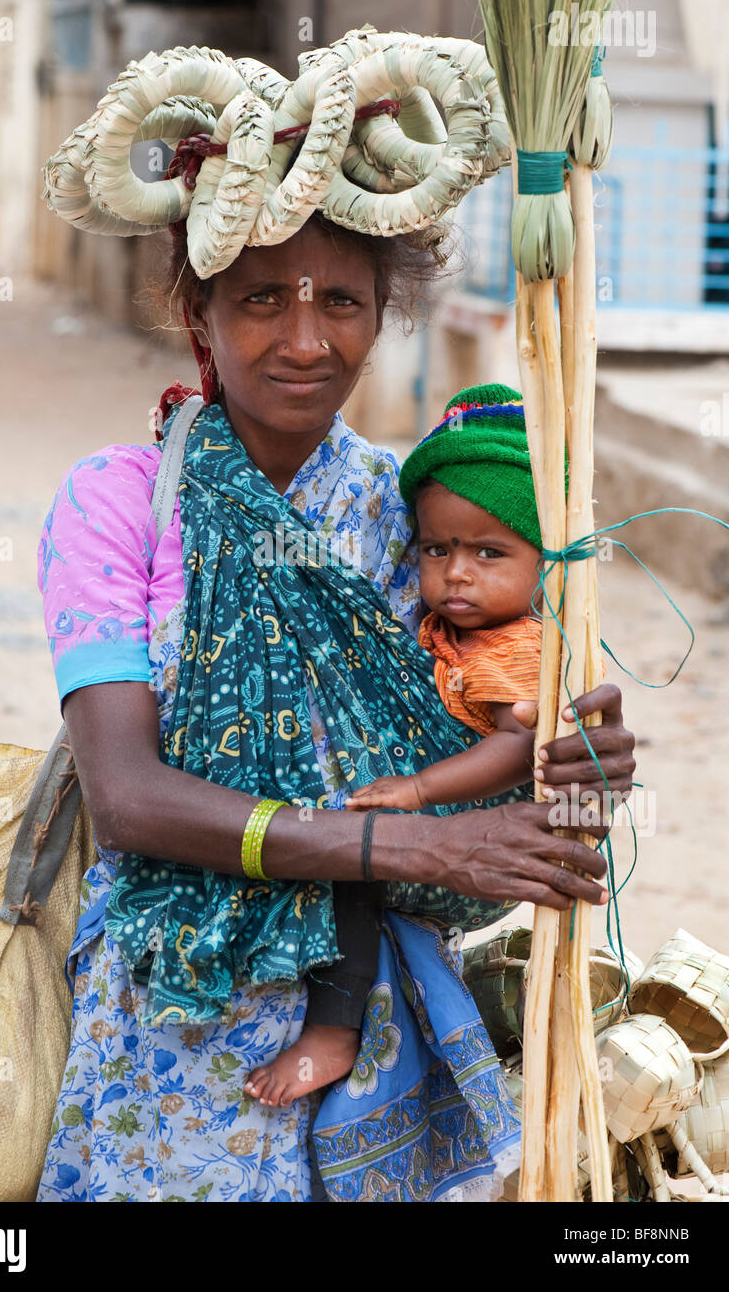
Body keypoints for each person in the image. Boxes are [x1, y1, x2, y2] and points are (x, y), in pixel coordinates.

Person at [35, 211, 635, 1203]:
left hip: (370, 1042)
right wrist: (409, 845)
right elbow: (131, 798)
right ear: (200, 311)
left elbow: (478, 796)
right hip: (172, 1026)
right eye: (263, 298)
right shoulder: (119, 502)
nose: (306, 342)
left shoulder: (408, 519)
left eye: (342, 303)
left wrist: (572, 767)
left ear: (381, 316)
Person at [244, 381, 551, 1109]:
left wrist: (416, 793)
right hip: (425, 816)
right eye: (437, 549)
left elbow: (516, 746)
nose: (457, 573)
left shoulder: (516, 648)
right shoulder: (450, 624)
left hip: (456, 820)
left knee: (349, 860)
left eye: (488, 552)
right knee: (340, 855)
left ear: (545, 560)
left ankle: (334, 1031)